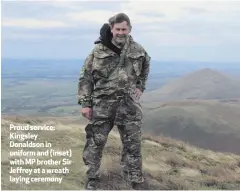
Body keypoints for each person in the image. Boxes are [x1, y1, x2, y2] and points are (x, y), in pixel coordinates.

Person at [77, 13, 151, 190]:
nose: (120, 32)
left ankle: (134, 178)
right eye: (117, 29)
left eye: (124, 29)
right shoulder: (98, 51)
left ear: (129, 29)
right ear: (112, 29)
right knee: (95, 143)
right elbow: (86, 77)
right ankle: (92, 178)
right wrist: (86, 104)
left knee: (133, 145)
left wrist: (140, 86)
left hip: (129, 107)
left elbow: (145, 67)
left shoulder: (138, 50)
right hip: (103, 106)